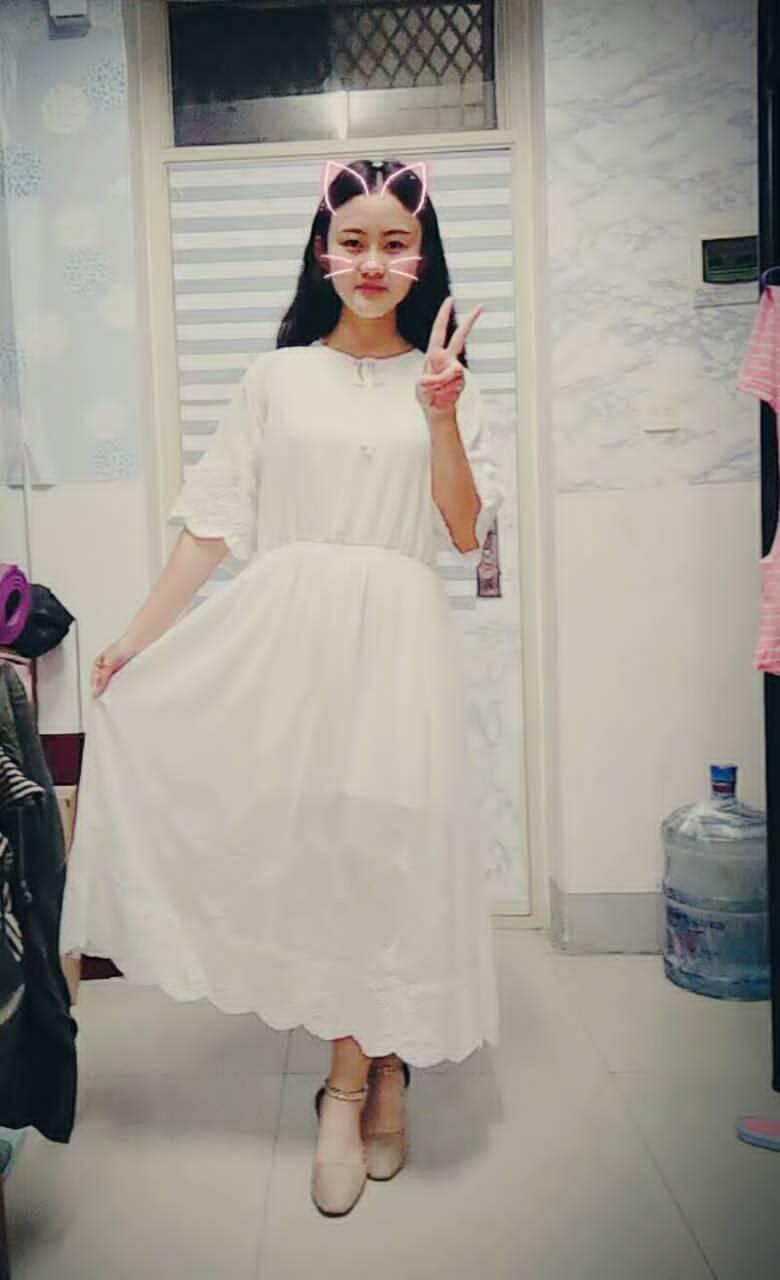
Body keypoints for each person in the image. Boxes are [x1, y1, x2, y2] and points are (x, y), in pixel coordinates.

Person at [60, 157, 504, 1218]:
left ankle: (364, 1080)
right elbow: (215, 521)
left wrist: (442, 413)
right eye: (353, 241)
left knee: (390, 851)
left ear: (423, 260)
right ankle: (360, 1084)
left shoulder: (450, 382)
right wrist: (136, 639)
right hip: (291, 641)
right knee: (331, 856)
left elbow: (462, 530)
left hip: (398, 642)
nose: (373, 261)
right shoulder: (277, 378)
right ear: (322, 254)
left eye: (396, 243)